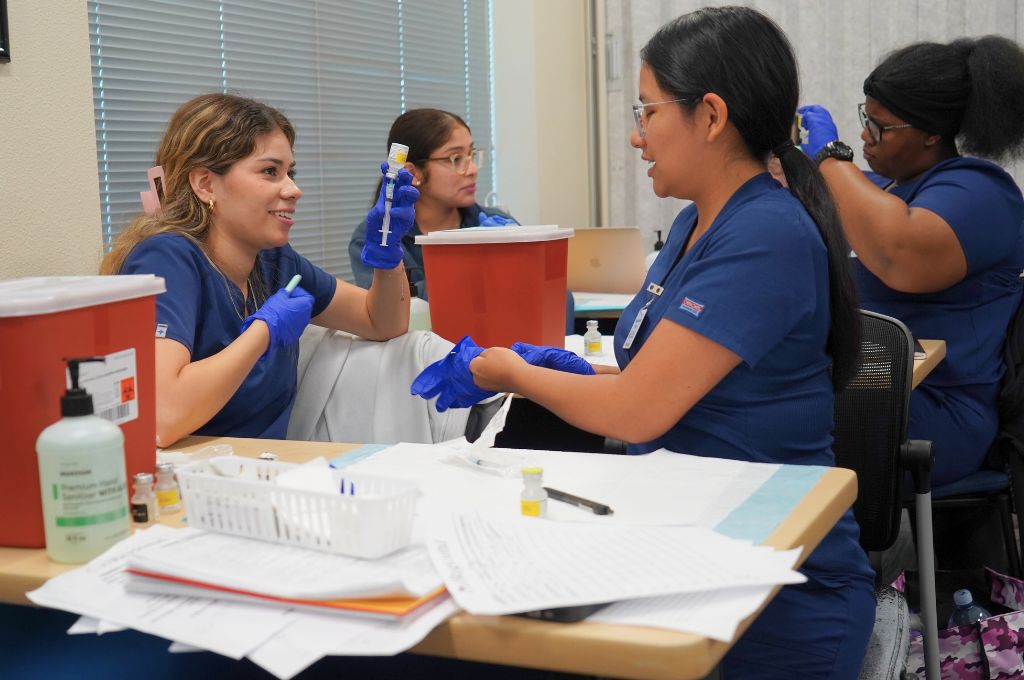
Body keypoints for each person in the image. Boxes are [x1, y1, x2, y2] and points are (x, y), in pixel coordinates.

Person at [412, 7, 873, 678]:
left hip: (772, 584)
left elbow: (637, 412)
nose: (637, 137)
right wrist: (569, 375)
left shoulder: (765, 233)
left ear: (710, 117)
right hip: (685, 540)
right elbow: (659, 386)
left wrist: (515, 373)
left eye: (648, 112)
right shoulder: (694, 224)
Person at [100, 93, 418, 446]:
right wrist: (264, 331)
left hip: (266, 471)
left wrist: (388, 257)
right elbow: (165, 415)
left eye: (290, 172)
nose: (294, 189)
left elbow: (382, 322)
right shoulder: (167, 259)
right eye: (270, 171)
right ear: (205, 184)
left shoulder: (275, 261)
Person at [799, 36, 1024, 487]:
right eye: (865, 117)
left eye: (880, 126)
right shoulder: (884, 188)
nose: (864, 135)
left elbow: (897, 252)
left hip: (937, 408)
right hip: (867, 387)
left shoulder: (981, 191)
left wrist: (828, 157)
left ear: (931, 133)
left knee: (776, 424)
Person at [348, 108, 516, 299]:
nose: (473, 169)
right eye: (456, 158)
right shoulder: (375, 239)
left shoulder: (499, 224)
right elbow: (387, 309)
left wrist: (519, 251)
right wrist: (469, 268)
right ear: (413, 173)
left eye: (471, 154)